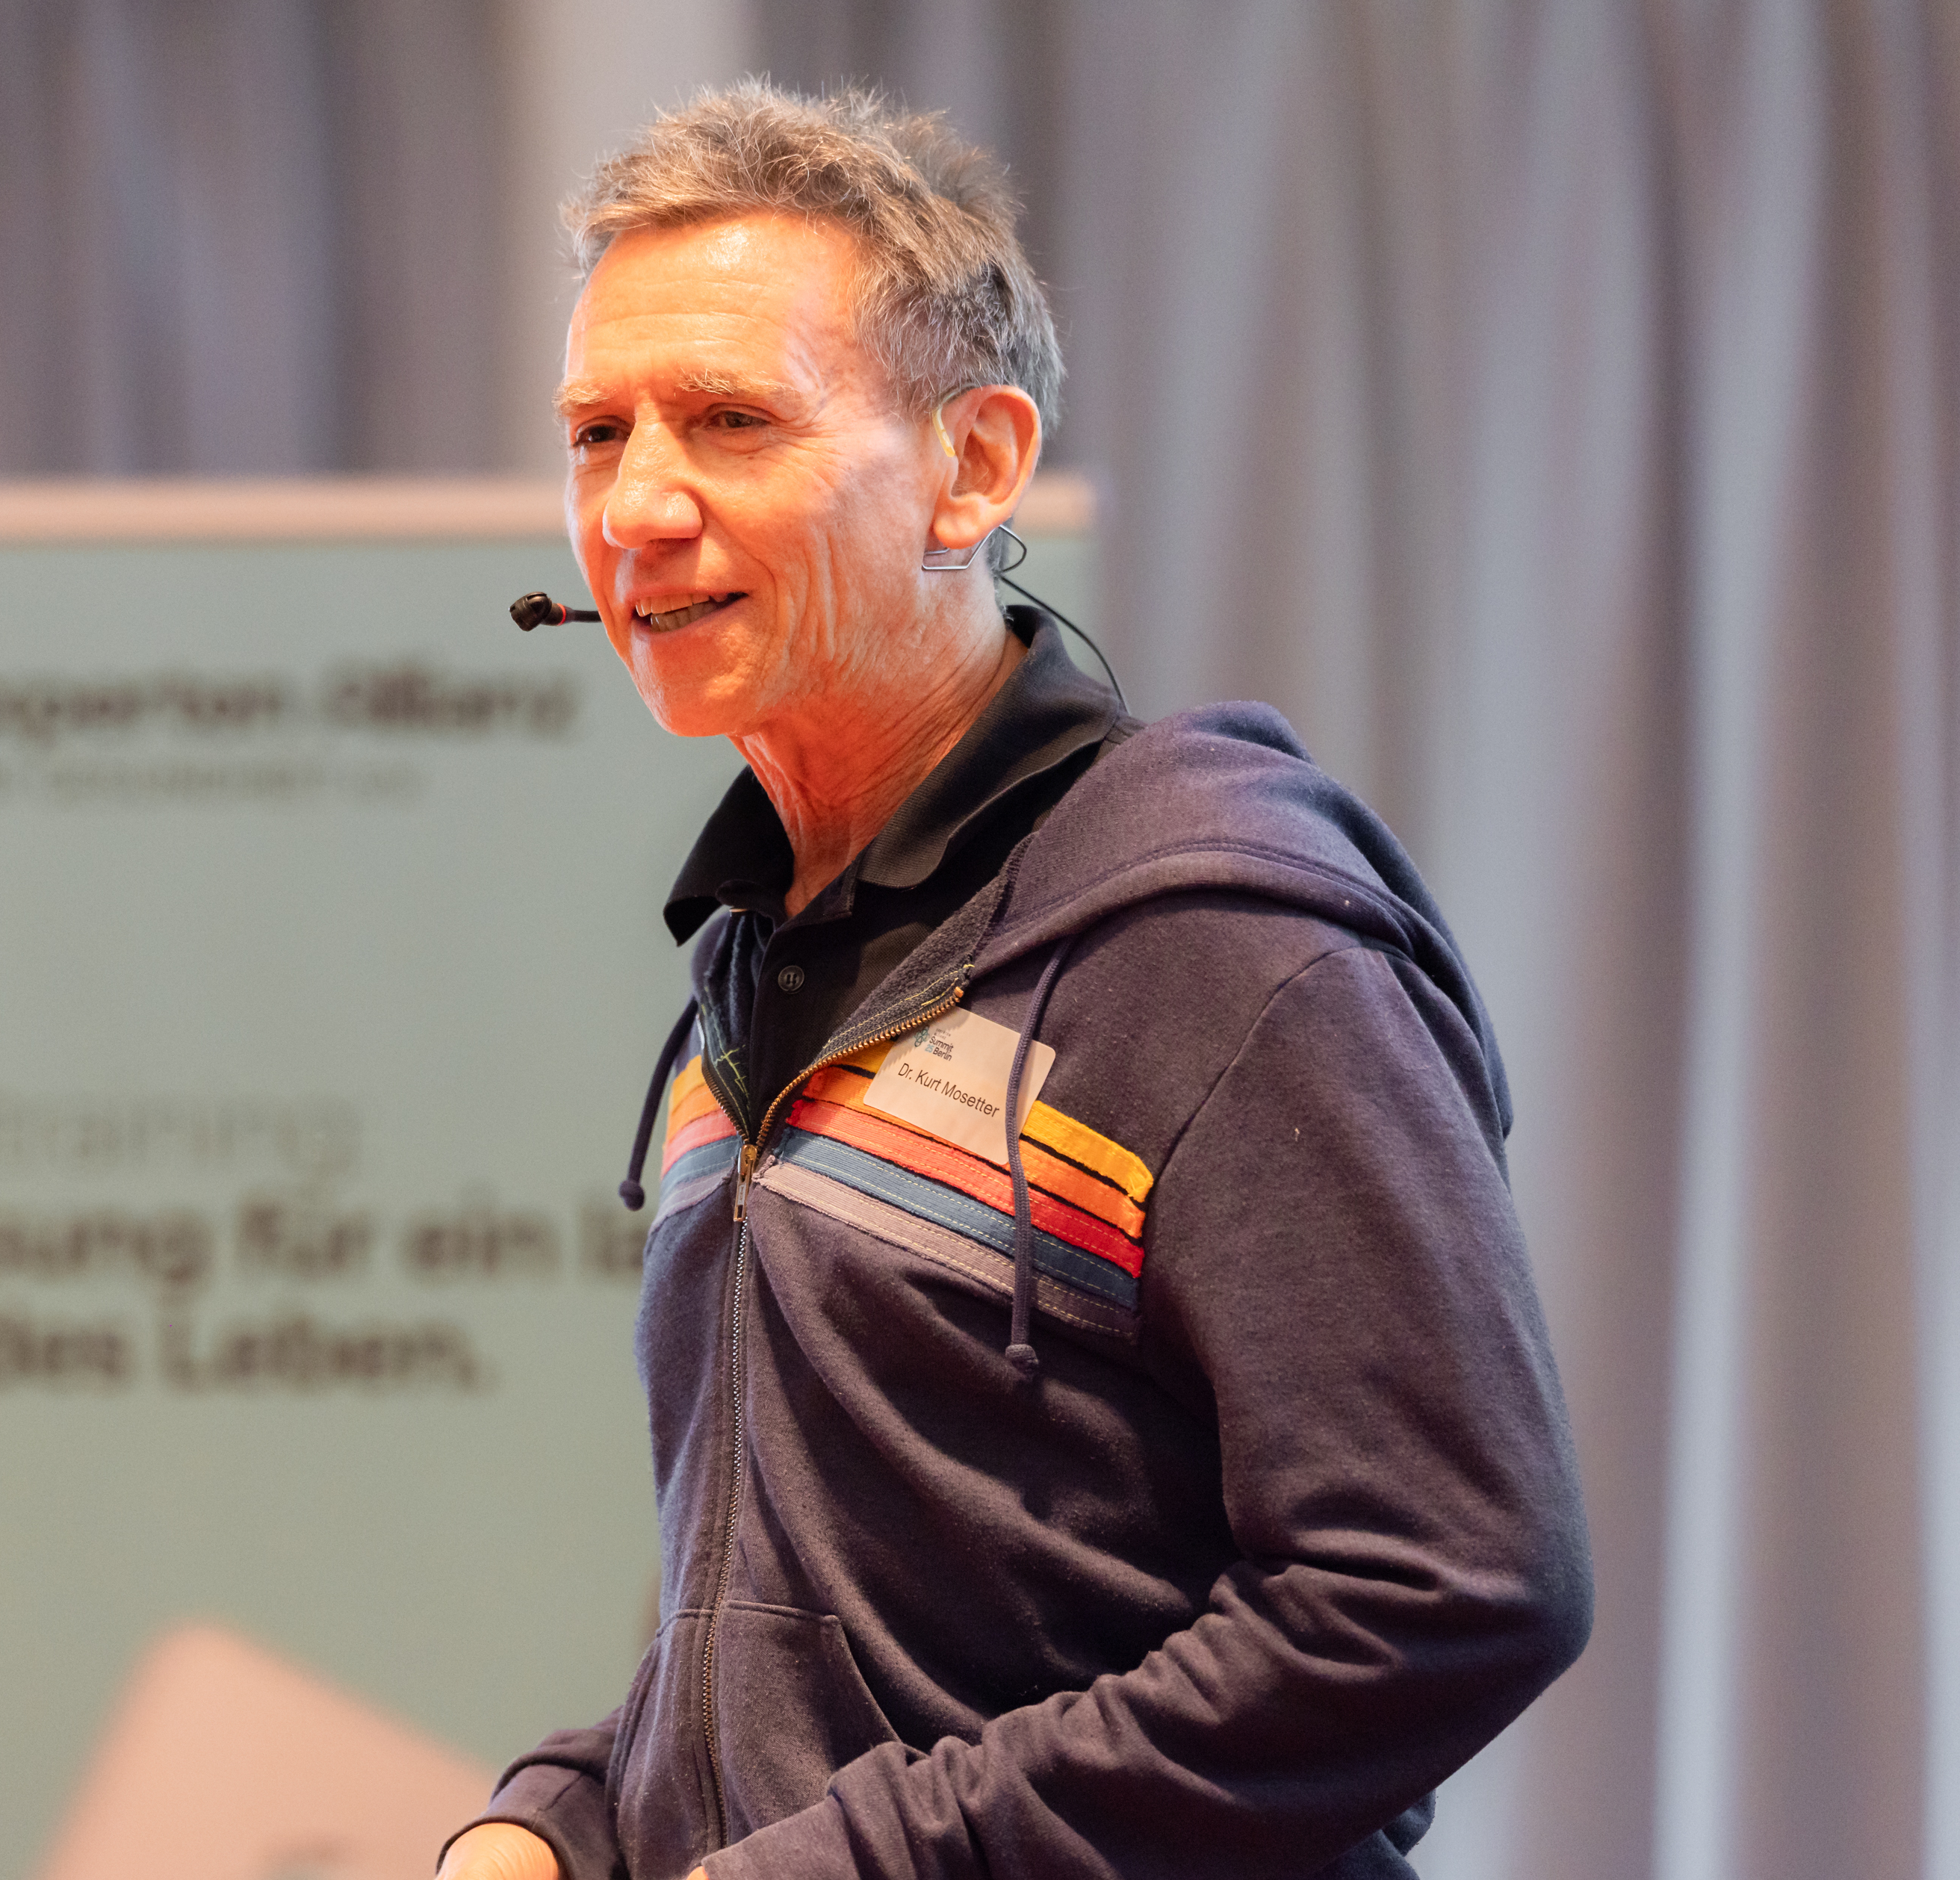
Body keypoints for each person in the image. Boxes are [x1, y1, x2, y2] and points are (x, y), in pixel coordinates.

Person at [439, 83, 1591, 1880]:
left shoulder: (1215, 939)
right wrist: (556, 1824)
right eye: (598, 433)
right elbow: (826, 1628)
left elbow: (1443, 1586)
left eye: (732, 420)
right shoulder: (756, 958)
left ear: (974, 467)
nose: (638, 503)